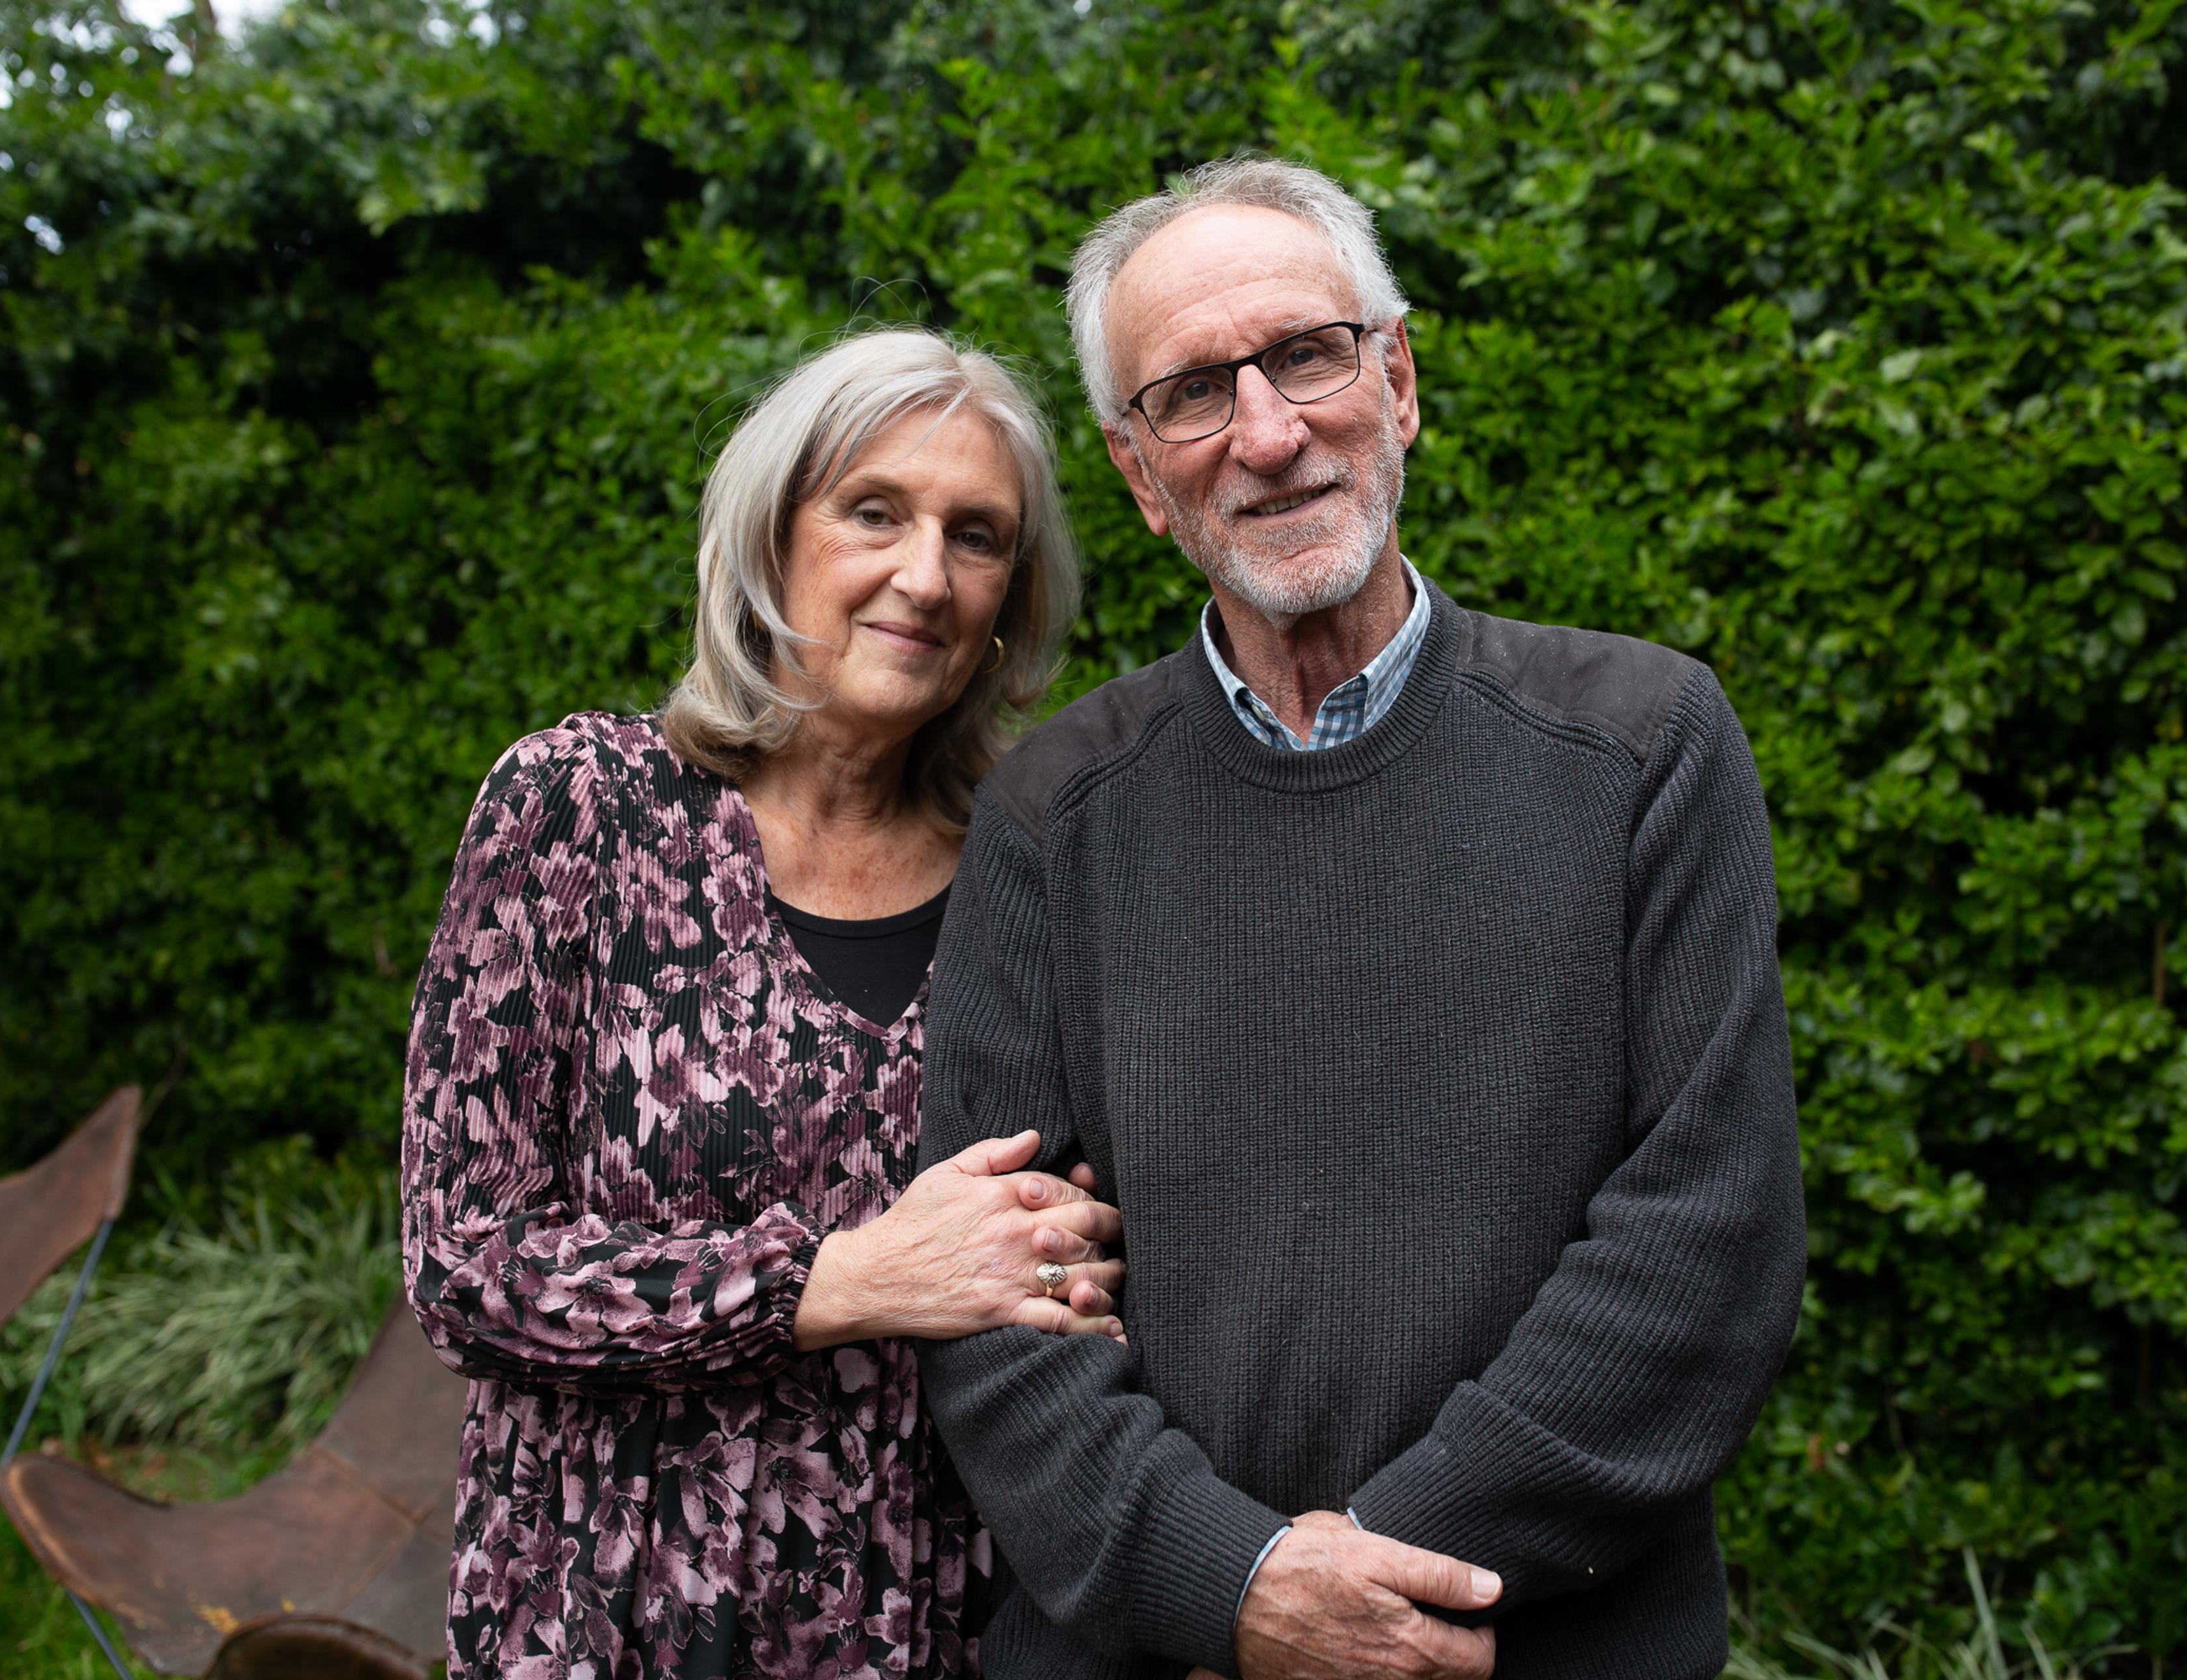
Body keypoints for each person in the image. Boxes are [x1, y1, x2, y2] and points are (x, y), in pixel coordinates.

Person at [915, 158, 1807, 1680]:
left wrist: (1346, 1597)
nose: (1267, 433)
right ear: (1141, 476)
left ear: (1397, 381)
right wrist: (1230, 1588)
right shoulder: (1051, 819)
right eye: (1193, 393)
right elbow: (999, 1306)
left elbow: (1706, 1243)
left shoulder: (1644, 742)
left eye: (1309, 354)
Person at [400, 327, 1120, 1680]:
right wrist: (838, 1279)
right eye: (874, 512)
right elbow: (462, 1260)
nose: (926, 575)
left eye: (978, 537)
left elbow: (1084, 1247)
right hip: (609, 1620)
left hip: (946, 1627)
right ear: (772, 532)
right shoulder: (581, 811)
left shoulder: (1038, 876)